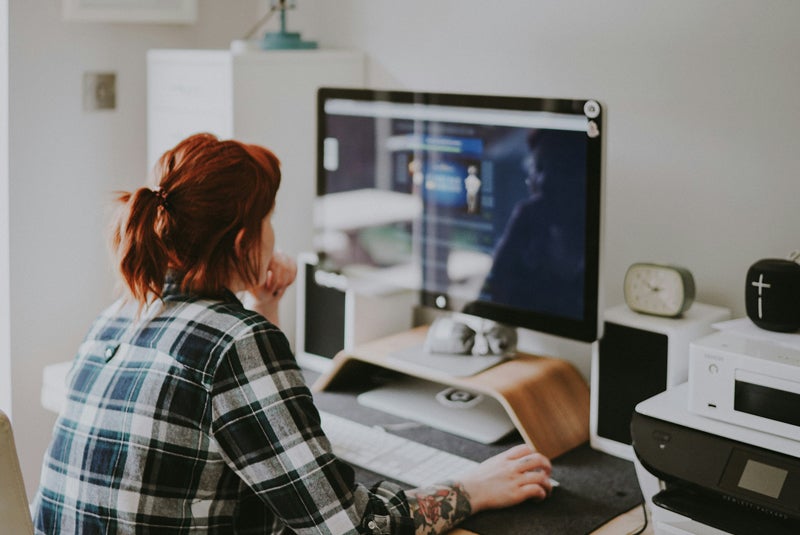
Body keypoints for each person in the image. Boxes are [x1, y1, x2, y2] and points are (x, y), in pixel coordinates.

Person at [32, 133, 553, 534]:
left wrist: (264, 307)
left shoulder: (122, 311)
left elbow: (253, 434)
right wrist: (473, 489)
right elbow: (347, 526)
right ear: (244, 240)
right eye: (270, 219)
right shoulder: (235, 342)